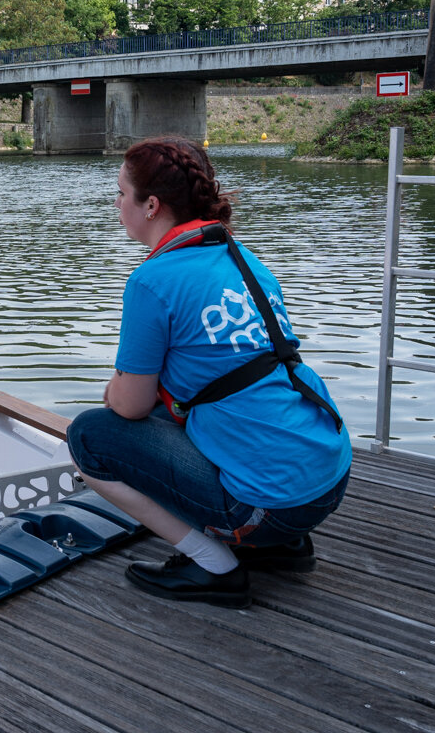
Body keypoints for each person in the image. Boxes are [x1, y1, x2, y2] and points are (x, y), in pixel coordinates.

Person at [66, 136, 351, 608]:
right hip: (327, 481)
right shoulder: (241, 256)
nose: (116, 203)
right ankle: (284, 546)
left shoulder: (152, 281)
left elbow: (129, 406)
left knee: (90, 436)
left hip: (267, 508)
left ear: (151, 205)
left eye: (121, 193)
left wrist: (114, 391)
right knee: (203, 403)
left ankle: (215, 567)